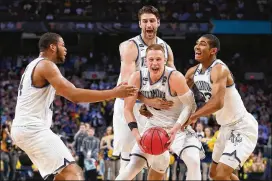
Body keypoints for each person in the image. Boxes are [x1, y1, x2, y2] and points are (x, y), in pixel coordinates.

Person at [10, 32, 138, 180]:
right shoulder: (46, 65)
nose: (65, 49)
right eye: (62, 45)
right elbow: (75, 96)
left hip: (25, 129)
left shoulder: (34, 66)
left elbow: (71, 91)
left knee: (60, 176)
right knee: (73, 172)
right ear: (52, 47)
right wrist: (113, 93)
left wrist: (112, 93)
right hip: (32, 129)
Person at [116, 44, 204, 180]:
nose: (154, 63)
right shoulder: (137, 78)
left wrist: (175, 129)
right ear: (145, 61)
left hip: (178, 127)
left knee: (193, 161)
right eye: (151, 59)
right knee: (133, 166)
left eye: (158, 59)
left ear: (164, 60)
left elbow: (190, 106)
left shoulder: (175, 77)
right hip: (153, 127)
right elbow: (127, 109)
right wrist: (137, 135)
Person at [184, 34, 258, 180]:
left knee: (221, 174)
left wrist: (193, 116)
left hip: (241, 127)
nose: (197, 46)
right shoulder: (193, 72)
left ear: (213, 50)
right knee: (214, 174)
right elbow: (177, 95)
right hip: (225, 127)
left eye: (203, 44)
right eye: (197, 43)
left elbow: (218, 103)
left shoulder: (219, 69)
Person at [112, 5, 175, 173]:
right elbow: (126, 87)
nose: (149, 25)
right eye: (145, 21)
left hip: (154, 108)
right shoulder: (131, 47)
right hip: (129, 105)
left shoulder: (165, 48)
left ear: (158, 23)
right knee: (128, 152)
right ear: (140, 24)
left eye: (152, 21)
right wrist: (148, 100)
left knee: (158, 151)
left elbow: (173, 80)